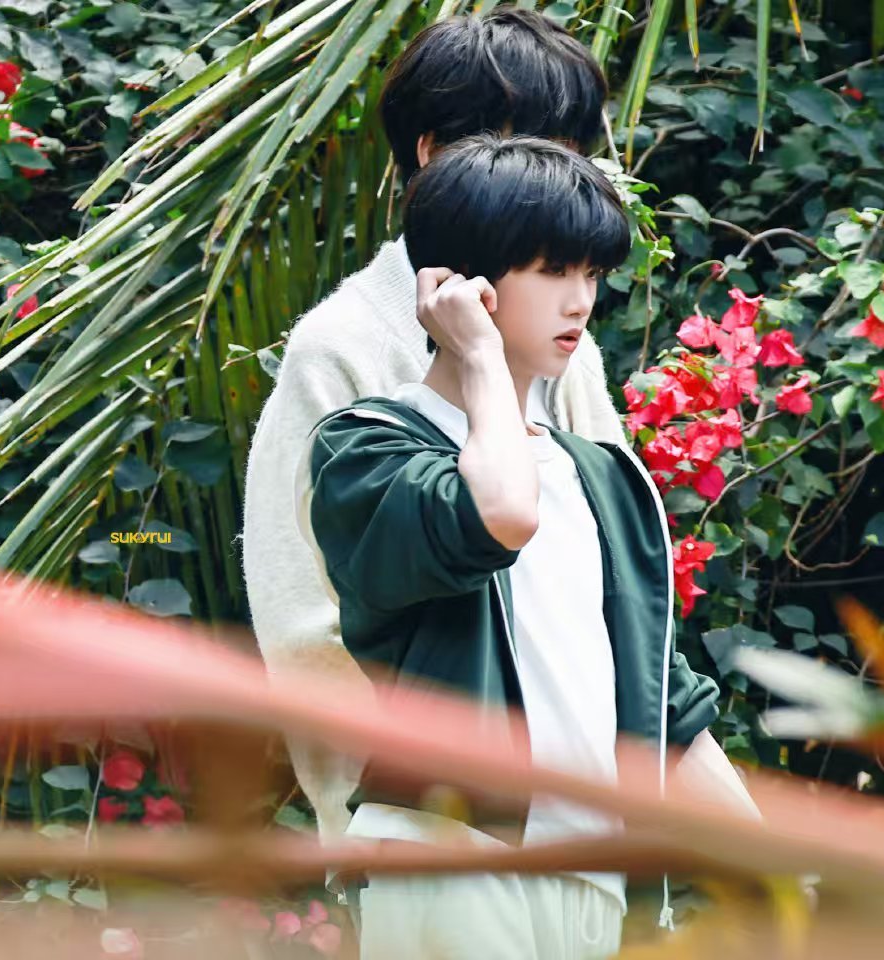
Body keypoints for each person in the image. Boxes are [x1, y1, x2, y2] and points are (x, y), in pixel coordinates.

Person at [296, 132, 760, 960]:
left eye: (591, 273)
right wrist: (476, 357)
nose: (579, 302)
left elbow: (663, 709)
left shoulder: (604, 477)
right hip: (450, 857)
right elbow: (500, 514)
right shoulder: (368, 451)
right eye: (552, 271)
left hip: (598, 879)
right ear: (462, 285)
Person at [240, 3, 625, 895]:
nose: (553, 174)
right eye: (527, 142)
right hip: (425, 826)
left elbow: (617, 572)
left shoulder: (569, 344)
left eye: (568, 148)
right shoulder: (341, 346)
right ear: (430, 151)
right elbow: (303, 624)